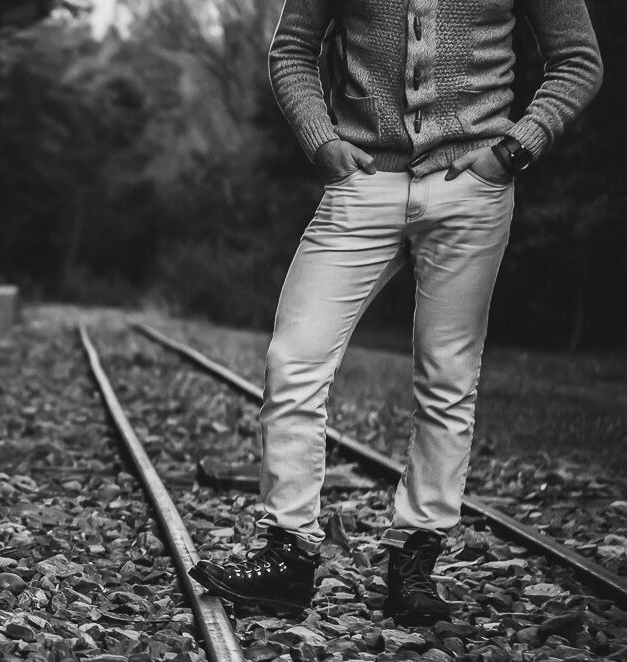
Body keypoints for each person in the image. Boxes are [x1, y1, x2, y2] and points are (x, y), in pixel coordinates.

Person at [191, 0, 603, 627]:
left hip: (474, 185)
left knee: (448, 377)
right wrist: (320, 138)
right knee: (294, 358)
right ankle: (287, 553)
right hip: (363, 181)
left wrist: (515, 149)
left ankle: (414, 559)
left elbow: (578, 60)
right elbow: (292, 51)